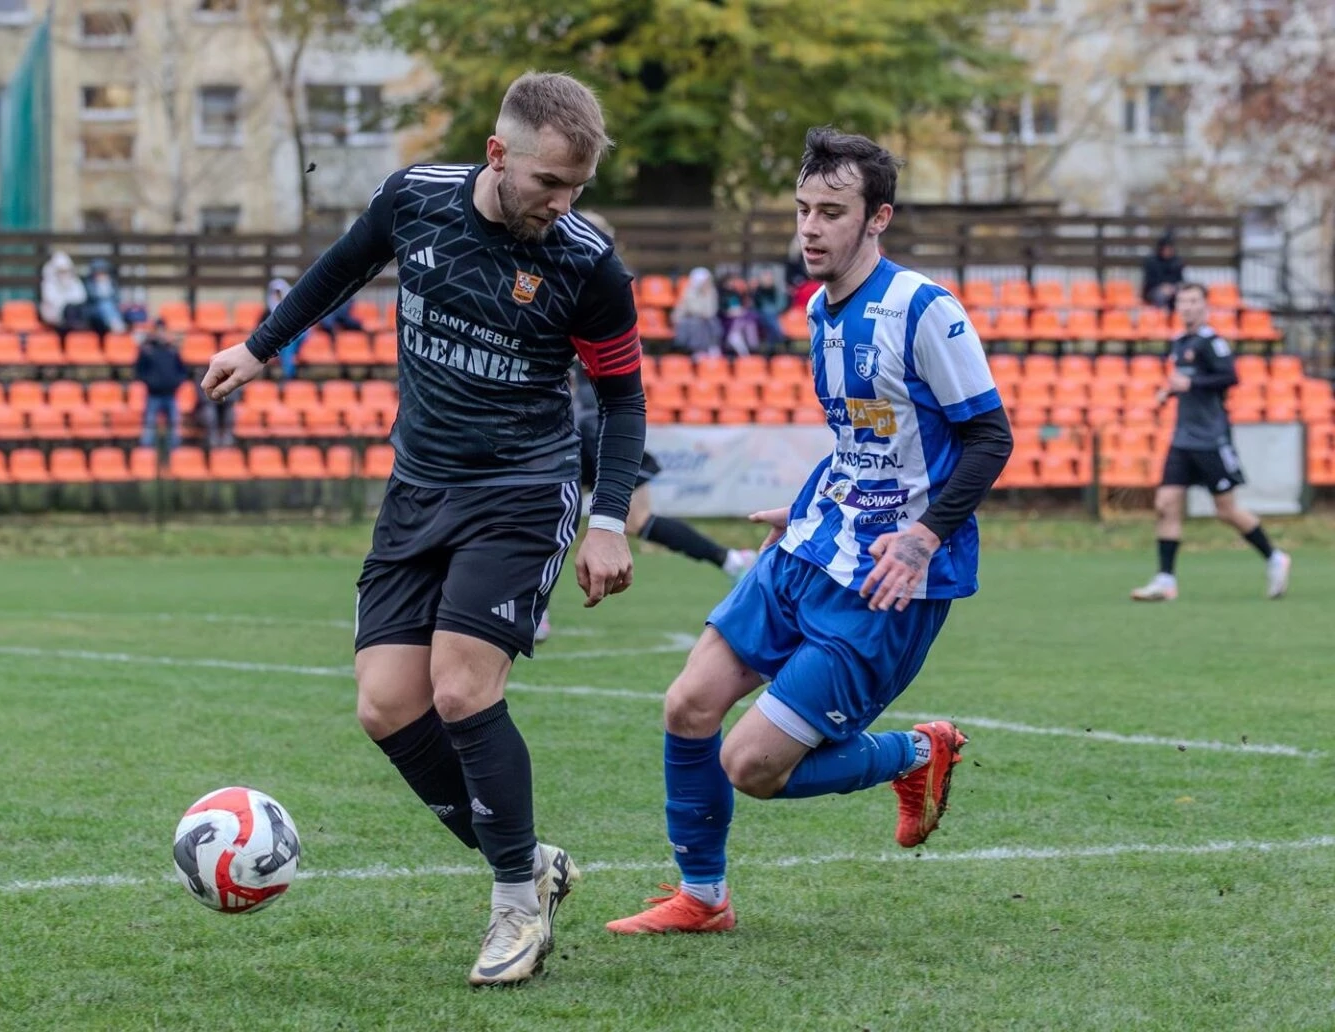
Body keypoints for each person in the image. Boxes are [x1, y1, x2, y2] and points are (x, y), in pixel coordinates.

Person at [201, 71, 646, 986]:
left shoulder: (587, 262)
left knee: (460, 689)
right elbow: (341, 267)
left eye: (577, 188)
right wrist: (259, 346)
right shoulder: (416, 199)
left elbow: (622, 397)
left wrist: (608, 520)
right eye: (549, 183)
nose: (563, 204)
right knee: (386, 705)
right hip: (419, 487)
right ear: (497, 155)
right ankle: (530, 861)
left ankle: (516, 908)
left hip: (522, 490)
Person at [606, 127, 1013, 935]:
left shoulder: (923, 310)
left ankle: (917, 752)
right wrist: (802, 509)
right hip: (812, 546)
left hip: (887, 583)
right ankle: (703, 899)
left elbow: (990, 438)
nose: (811, 228)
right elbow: (859, 440)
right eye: (802, 210)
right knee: (688, 705)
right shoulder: (821, 312)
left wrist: (924, 537)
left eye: (832, 212)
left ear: (878, 218)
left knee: (751, 766)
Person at [533, 366, 757, 643]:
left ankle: (733, 560)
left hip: (594, 430)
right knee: (548, 517)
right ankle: (535, 609)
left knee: (634, 520)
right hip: (574, 430)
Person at [1130, 282, 1290, 602]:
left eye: (1194, 301)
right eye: (1183, 302)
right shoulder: (1180, 342)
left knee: (1226, 510)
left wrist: (1190, 384)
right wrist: (1169, 391)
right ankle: (1165, 580)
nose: (1187, 307)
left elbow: (1229, 377)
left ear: (1205, 306)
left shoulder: (1212, 342)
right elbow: (1185, 382)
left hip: (1210, 440)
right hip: (1182, 439)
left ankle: (1274, 557)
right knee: (1165, 504)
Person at [135, 320, 189, 450]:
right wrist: (150, 381)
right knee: (149, 426)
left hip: (171, 395)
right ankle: (145, 454)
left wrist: (175, 382)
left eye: (163, 330)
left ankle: (175, 453)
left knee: (174, 427)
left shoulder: (172, 350)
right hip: (153, 395)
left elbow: (182, 370)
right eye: (158, 330)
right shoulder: (147, 350)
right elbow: (139, 370)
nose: (160, 333)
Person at [262, 278, 309, 380]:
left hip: (297, 335)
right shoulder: (268, 311)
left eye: (279, 292)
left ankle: (288, 375)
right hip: (282, 338)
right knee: (286, 345)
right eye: (275, 293)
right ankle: (289, 374)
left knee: (287, 345)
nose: (277, 295)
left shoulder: (293, 306)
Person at [39, 252, 89, 332]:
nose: (64, 274)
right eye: (61, 271)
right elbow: (51, 300)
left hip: (74, 315)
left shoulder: (75, 281)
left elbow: (81, 297)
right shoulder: (49, 284)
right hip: (56, 317)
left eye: (65, 271)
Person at [1142, 231, 1185, 311]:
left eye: (1169, 249)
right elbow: (1149, 281)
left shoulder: (1177, 261)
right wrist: (1162, 286)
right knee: (1161, 295)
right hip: (1153, 290)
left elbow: (1180, 279)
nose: (1167, 252)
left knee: (1183, 294)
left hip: (1173, 289)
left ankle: (1178, 315)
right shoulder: (1151, 262)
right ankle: (1162, 315)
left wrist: (1172, 287)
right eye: (1165, 249)